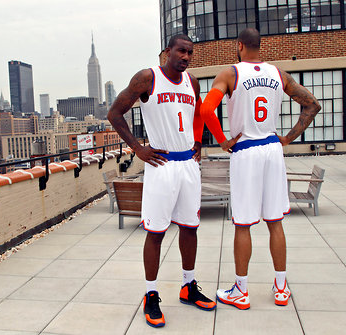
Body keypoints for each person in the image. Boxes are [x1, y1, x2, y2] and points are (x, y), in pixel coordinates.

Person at [200, 28, 321, 309]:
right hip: (272, 148)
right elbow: (312, 105)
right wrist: (288, 138)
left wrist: (222, 141)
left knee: (243, 223)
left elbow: (207, 110)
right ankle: (281, 287)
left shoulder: (230, 73)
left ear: (239, 45)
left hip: (246, 150)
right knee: (275, 221)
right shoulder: (279, 74)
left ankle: (241, 291)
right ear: (259, 46)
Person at [108, 34, 216, 328]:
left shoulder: (191, 82)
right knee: (156, 232)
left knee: (190, 228)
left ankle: (188, 286)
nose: (186, 57)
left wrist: (198, 141)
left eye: (190, 53)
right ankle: (150, 294)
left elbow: (197, 114)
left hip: (188, 165)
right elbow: (115, 113)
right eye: (181, 51)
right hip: (162, 163)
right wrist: (137, 148)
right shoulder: (147, 77)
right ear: (167, 52)